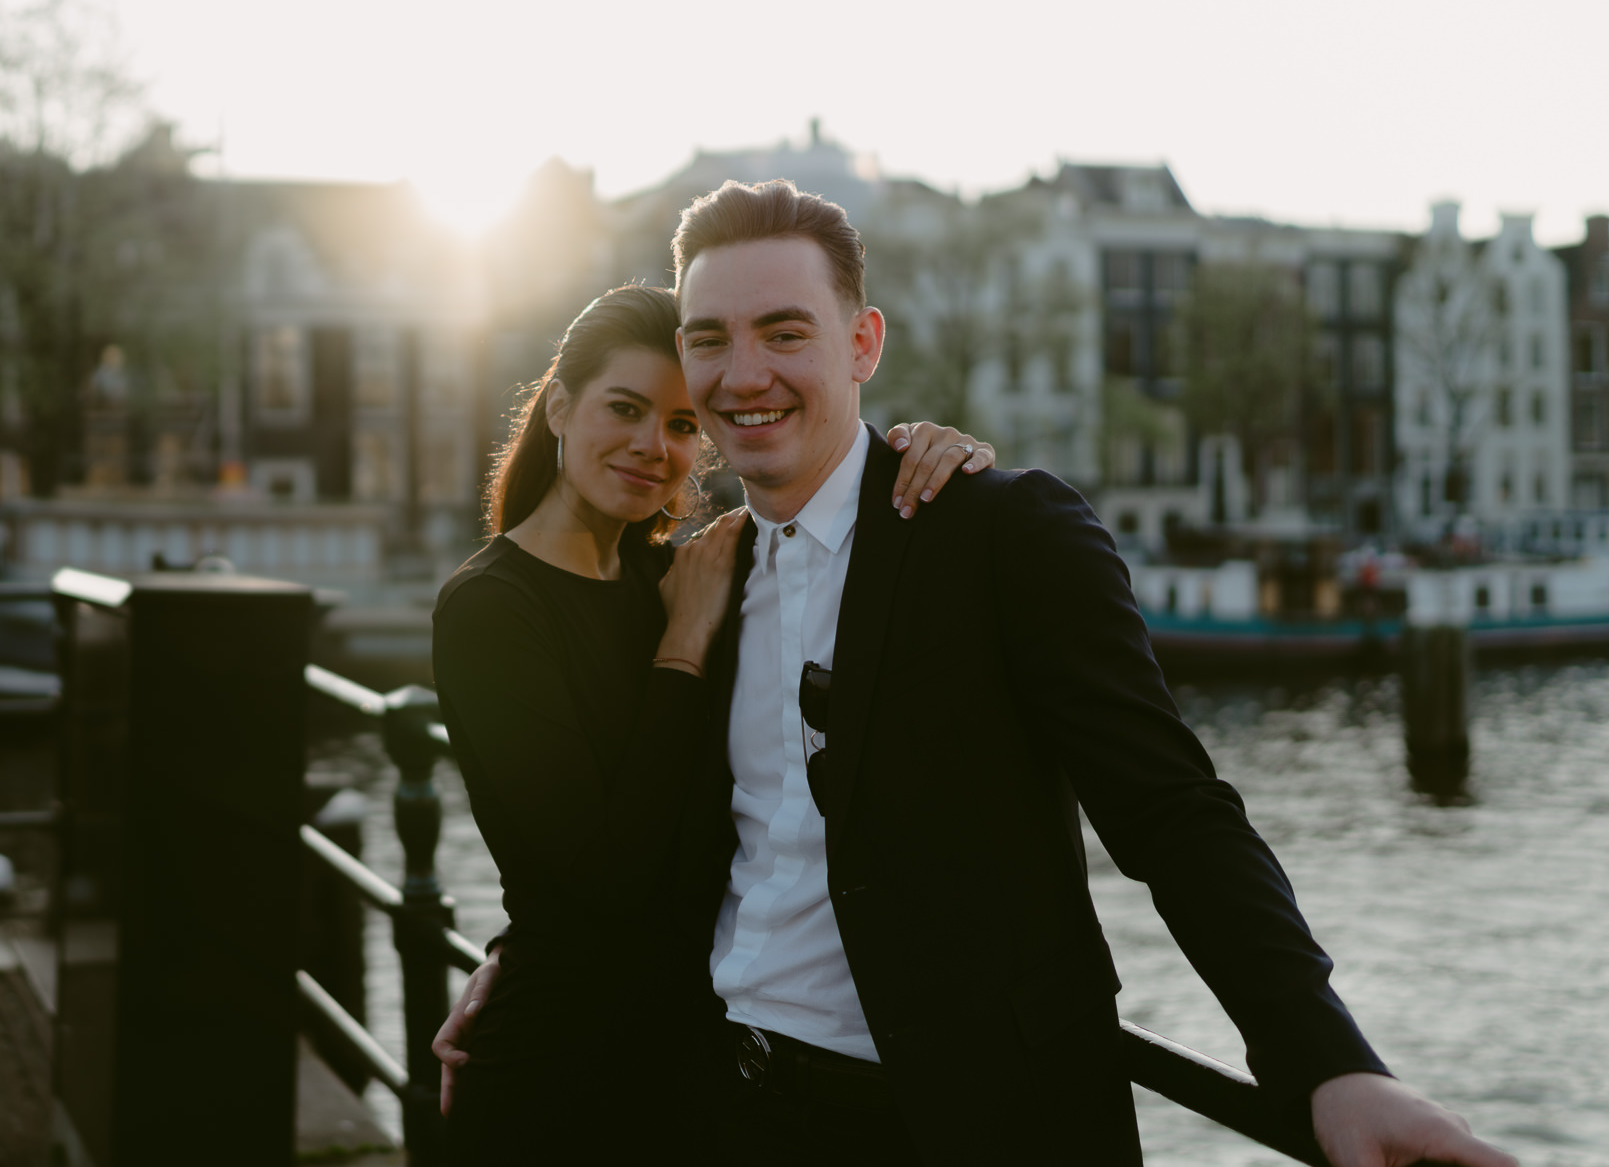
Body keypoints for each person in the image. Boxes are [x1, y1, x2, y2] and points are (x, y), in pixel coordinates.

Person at [440, 180, 1519, 1167]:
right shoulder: (695, 586)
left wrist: (1323, 1060)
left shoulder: (1000, 534)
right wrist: (520, 959)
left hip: (961, 1125)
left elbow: (1173, 811)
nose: (742, 374)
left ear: (861, 343)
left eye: (784, 332)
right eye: (709, 340)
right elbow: (630, 834)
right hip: (718, 1110)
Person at [430, 283, 994, 1165]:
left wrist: (931, 450)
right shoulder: (491, 611)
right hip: (552, 1077)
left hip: (692, 1074)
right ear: (558, 407)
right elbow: (593, 876)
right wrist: (682, 648)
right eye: (624, 409)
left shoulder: (683, 573)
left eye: (683, 423)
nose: (653, 446)